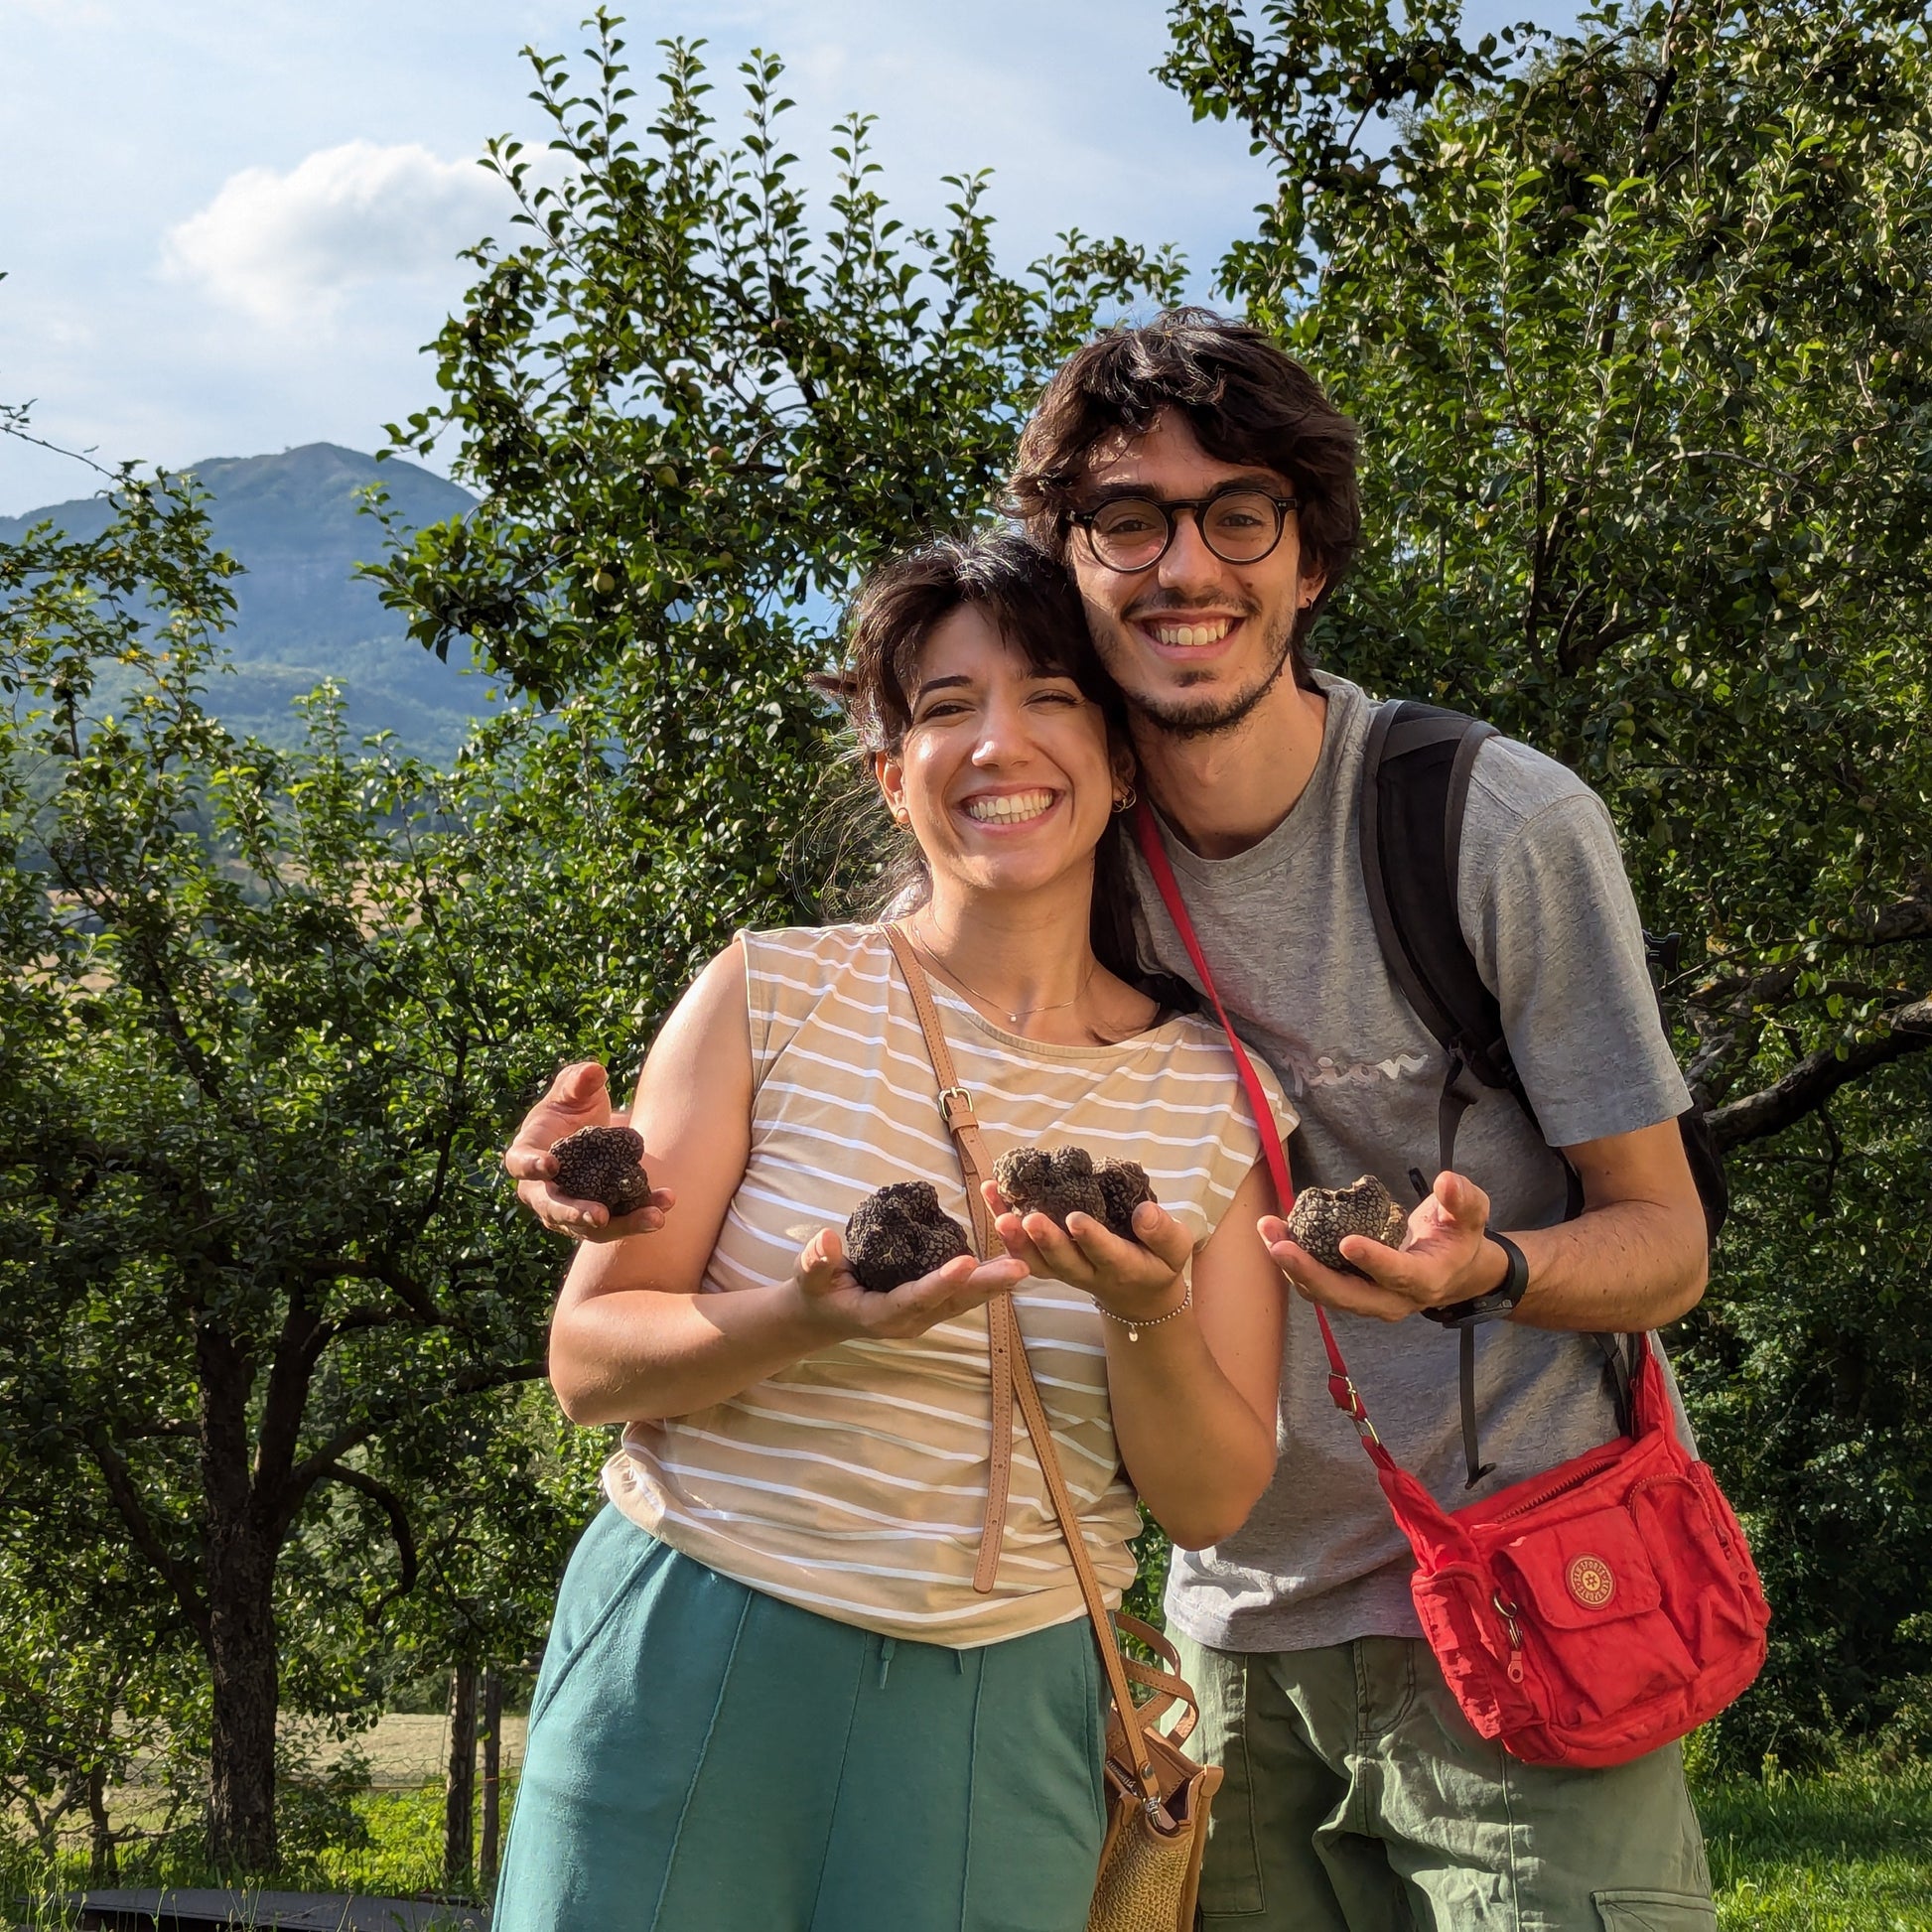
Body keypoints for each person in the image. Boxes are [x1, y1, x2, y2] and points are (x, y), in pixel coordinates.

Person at [996, 310, 1719, 1928]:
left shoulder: (1493, 824)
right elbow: (897, 1046)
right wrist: (647, 1186)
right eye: (1128, 520)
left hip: (1526, 1596)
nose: (1185, 564)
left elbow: (1664, 1243)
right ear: (1071, 566)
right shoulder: (1062, 858)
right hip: (1229, 1638)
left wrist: (1487, 1271)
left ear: (1306, 559)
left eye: (1235, 514)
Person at [494, 529, 1290, 1932]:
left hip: (1012, 1698)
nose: (998, 742)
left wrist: (1144, 1308)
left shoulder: (1217, 1092)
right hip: (694, 1646)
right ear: (890, 771)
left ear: (1118, 759)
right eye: (941, 707)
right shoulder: (768, 994)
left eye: (1050, 696)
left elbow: (1211, 1498)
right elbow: (591, 1358)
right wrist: (799, 1319)